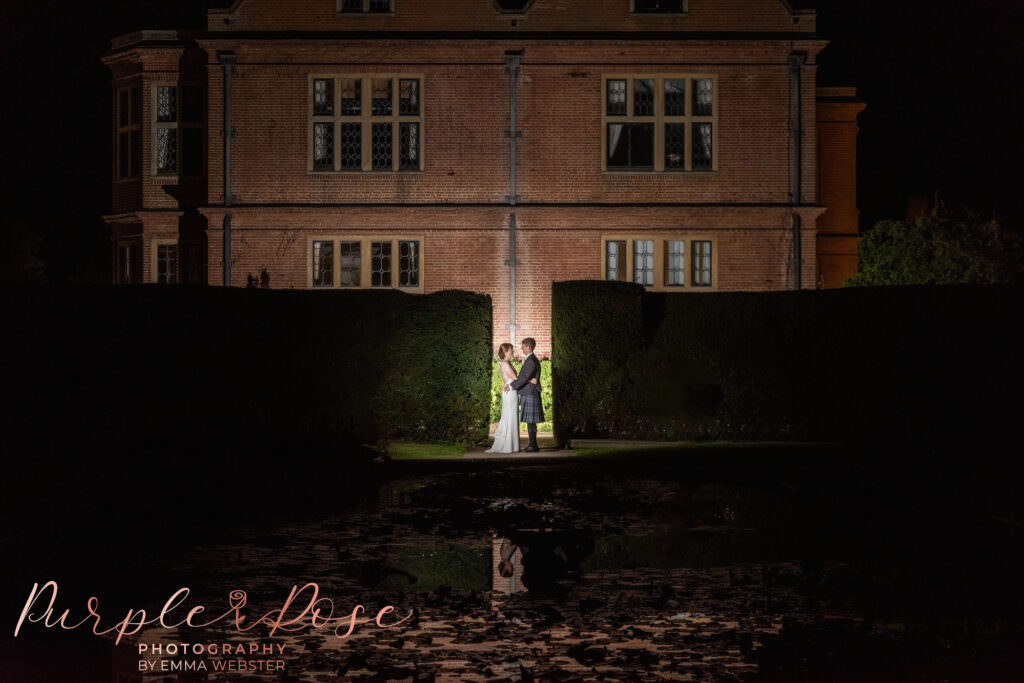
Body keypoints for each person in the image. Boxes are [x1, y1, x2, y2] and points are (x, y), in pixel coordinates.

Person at [506, 337, 544, 452]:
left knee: (531, 421)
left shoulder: (531, 361)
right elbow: (527, 378)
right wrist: (528, 380)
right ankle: (532, 444)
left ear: (528, 346)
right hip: (530, 392)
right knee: (530, 421)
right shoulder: (531, 359)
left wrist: (512, 386)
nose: (521, 348)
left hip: (530, 393)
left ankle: (533, 445)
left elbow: (524, 377)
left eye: (523, 346)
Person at [486, 343, 521, 454]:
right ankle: (508, 445)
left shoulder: (506, 363)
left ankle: (513, 445)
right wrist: (529, 380)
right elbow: (515, 378)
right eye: (511, 350)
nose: (512, 352)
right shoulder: (505, 364)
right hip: (510, 392)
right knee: (509, 416)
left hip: (510, 390)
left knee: (511, 416)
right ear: (505, 352)